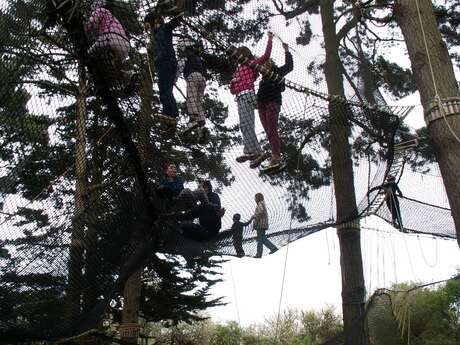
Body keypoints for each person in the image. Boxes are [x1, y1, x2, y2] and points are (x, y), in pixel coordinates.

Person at [230, 32, 273, 168]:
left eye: (239, 55)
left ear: (244, 55)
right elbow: (232, 90)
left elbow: (265, 56)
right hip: (240, 97)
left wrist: (270, 40)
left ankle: (251, 151)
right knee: (245, 125)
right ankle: (257, 152)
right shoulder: (238, 70)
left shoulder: (250, 64)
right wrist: (233, 82)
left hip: (247, 95)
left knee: (246, 124)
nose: (237, 57)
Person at [257, 42, 293, 172]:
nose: (264, 66)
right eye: (263, 65)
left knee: (272, 129)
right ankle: (274, 156)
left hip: (273, 102)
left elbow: (289, 66)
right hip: (261, 104)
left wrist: (287, 51)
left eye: (267, 63)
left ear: (271, 64)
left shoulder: (277, 72)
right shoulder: (263, 78)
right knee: (268, 131)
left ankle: (276, 156)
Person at [144, 9, 182, 130]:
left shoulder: (164, 29)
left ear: (154, 21)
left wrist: (177, 12)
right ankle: (169, 119)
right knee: (164, 91)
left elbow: (174, 22)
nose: (148, 29)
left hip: (167, 63)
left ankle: (172, 114)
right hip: (163, 64)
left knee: (165, 91)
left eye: (148, 26)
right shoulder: (156, 35)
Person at [84, 0, 134, 89]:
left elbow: (92, 23)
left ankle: (90, 81)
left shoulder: (100, 10)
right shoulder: (113, 17)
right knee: (113, 66)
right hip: (125, 46)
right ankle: (128, 75)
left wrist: (84, 29)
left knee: (88, 54)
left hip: (111, 38)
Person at [180, 39, 208, 135]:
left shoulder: (189, 58)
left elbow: (180, 67)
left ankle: (193, 119)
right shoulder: (199, 58)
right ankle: (201, 120)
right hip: (202, 79)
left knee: (191, 98)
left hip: (193, 76)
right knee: (198, 101)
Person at [251, 193, 277, 258]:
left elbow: (260, 212)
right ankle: (271, 249)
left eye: (255, 198)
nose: (255, 199)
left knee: (261, 238)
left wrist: (254, 216)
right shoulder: (262, 203)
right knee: (261, 238)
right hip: (263, 224)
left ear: (258, 198)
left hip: (260, 224)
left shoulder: (260, 204)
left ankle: (260, 253)